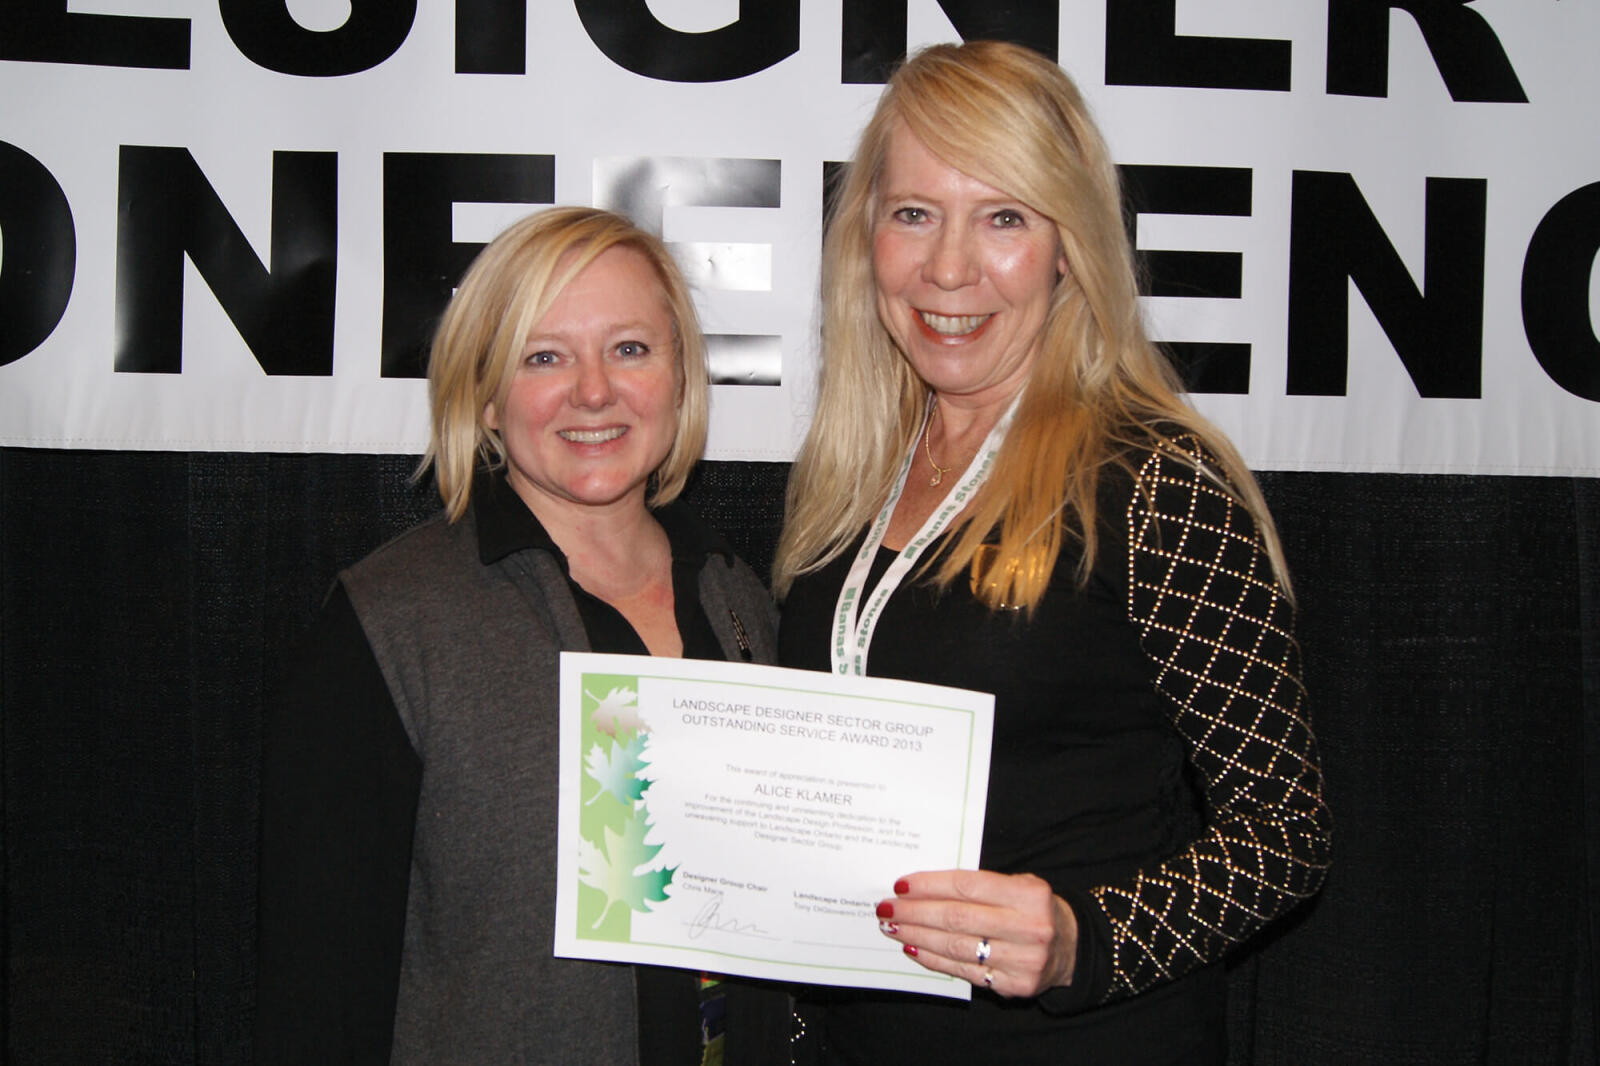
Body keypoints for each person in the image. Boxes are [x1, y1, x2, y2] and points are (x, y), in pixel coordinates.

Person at [773, 41, 1332, 1064]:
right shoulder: (851, 475)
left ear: (1069, 244)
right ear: (865, 238)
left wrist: (1083, 936)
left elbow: (1284, 832)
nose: (949, 267)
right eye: (913, 213)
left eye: (1003, 217)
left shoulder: (1155, 481)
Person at [257, 207, 788, 1064]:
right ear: (488, 396)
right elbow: (318, 998)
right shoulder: (392, 627)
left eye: (630, 348)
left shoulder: (745, 606)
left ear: (681, 377)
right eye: (545, 356)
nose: (593, 391)